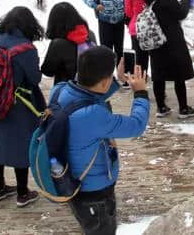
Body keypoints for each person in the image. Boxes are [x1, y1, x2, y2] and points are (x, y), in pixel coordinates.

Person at [52, 46, 149, 234]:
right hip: (95, 191)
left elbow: (87, 96)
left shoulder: (60, 91)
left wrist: (113, 81)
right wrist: (140, 93)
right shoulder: (93, 116)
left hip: (70, 179)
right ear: (103, 81)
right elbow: (136, 125)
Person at [0, 6, 45, 207]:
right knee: (20, 147)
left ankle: (0, 188)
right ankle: (23, 193)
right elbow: (34, 78)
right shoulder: (26, 48)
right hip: (18, 104)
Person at [143, 0, 194, 119]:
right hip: (172, 39)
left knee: (158, 75)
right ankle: (183, 108)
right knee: (178, 74)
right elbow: (180, 13)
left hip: (156, 39)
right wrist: (186, 4)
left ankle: (161, 107)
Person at [41, 2, 96, 85]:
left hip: (66, 91)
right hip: (90, 89)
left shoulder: (58, 44)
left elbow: (48, 72)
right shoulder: (90, 35)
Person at [82, 0, 125, 66]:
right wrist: (95, 6)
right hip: (105, 21)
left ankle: (120, 74)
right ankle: (107, 76)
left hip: (120, 21)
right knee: (106, 50)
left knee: (119, 49)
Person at [123, 0, 150, 74]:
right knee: (146, 54)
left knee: (137, 54)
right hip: (149, 25)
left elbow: (128, 12)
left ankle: (137, 78)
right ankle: (144, 75)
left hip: (135, 26)